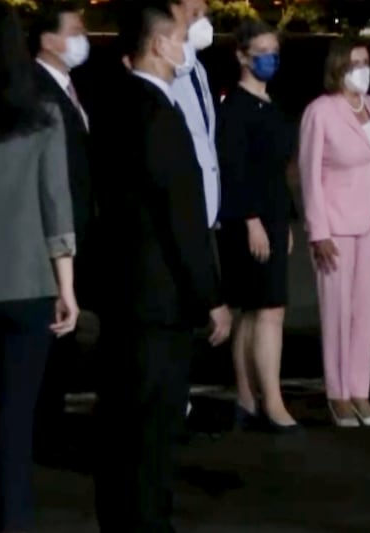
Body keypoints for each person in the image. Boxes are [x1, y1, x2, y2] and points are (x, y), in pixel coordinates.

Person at [92, 3, 232, 531]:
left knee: (121, 433)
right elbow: (182, 215)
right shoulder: (160, 114)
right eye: (178, 36)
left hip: (123, 292)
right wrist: (211, 297)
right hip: (160, 301)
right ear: (158, 44)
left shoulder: (113, 104)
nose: (185, 47)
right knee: (152, 434)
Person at [0, 0, 79, 531]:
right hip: (27, 285)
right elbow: (57, 205)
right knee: (14, 432)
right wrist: (66, 286)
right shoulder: (42, 114)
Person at [299, 39, 370, 427]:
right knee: (336, 312)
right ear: (338, 68)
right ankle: (337, 394)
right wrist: (318, 230)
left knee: (364, 311)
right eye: (354, 63)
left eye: (366, 62)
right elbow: (309, 176)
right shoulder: (320, 112)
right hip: (335, 228)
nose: (362, 69)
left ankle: (360, 392)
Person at [217, 19, 299, 432]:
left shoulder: (273, 105)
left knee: (256, 312)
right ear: (242, 55)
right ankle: (273, 402)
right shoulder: (234, 109)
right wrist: (251, 221)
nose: (270, 59)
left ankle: (248, 398)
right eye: (262, 51)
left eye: (274, 51)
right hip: (248, 219)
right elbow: (233, 171)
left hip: (271, 214)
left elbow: (278, 171)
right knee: (267, 310)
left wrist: (284, 221)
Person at [28, 0, 96, 455]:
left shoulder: (68, 88)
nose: (82, 38)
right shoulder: (36, 91)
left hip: (74, 229)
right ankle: (42, 429)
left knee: (64, 334)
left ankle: (50, 421)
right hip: (49, 235)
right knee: (51, 333)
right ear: (48, 39)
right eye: (74, 30)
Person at [163, 0, 220, 422]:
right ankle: (166, 401)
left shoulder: (197, 69)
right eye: (193, 8)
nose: (202, 17)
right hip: (177, 216)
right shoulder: (165, 77)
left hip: (202, 212)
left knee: (182, 319)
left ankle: (178, 396)